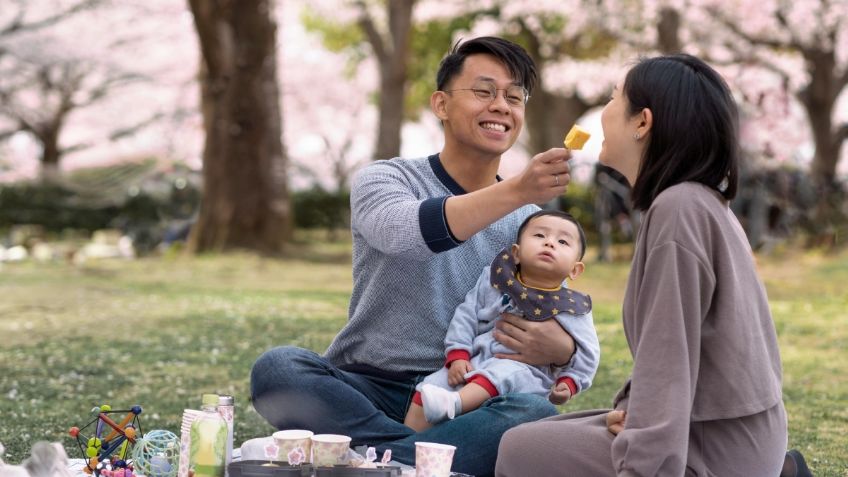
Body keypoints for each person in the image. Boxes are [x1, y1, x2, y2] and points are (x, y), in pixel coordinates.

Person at [250, 37, 578, 477]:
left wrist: (565, 346)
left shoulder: (531, 223)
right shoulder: (387, 178)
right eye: (484, 91)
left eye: (514, 97)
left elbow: (552, 314)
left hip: (465, 393)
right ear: (441, 104)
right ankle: (420, 461)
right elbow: (408, 234)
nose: (502, 105)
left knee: (530, 413)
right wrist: (517, 189)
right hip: (368, 386)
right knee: (277, 370)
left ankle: (374, 464)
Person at [496, 54, 793, 476]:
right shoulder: (700, 202)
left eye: (615, 97)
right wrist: (631, 409)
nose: (604, 110)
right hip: (735, 430)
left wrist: (642, 465)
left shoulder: (679, 209)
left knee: (519, 448)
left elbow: (668, 359)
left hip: (718, 447)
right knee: (551, 428)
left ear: (642, 122)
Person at [404, 210, 600, 431]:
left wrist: (571, 382)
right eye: (539, 236)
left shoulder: (571, 307)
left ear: (575, 269)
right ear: (516, 253)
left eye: (563, 241)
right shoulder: (495, 281)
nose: (549, 243)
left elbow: (588, 352)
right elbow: (466, 315)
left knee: (504, 372)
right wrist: (458, 354)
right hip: (476, 361)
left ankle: (455, 404)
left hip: (527, 374)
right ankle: (407, 442)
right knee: (430, 387)